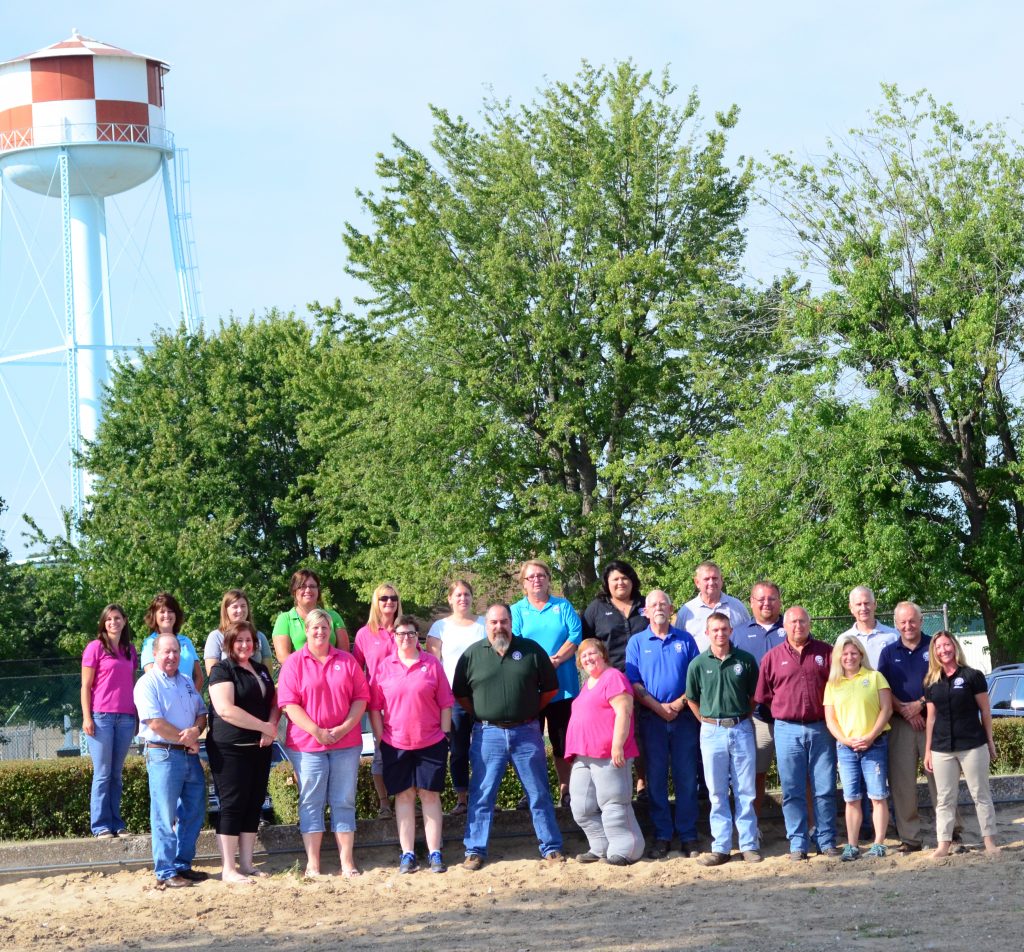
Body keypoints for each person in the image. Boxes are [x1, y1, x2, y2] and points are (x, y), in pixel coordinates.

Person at [453, 603, 564, 870]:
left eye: (503, 621)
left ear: (511, 622)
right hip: (487, 733)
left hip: (526, 731)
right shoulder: (472, 655)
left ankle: (550, 846)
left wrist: (527, 711)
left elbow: (550, 689)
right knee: (482, 794)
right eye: (493, 622)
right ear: (486, 625)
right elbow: (461, 695)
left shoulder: (531, 650)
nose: (498, 627)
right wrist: (484, 714)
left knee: (538, 792)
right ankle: (475, 849)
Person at [277, 608, 369, 878]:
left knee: (343, 800)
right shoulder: (294, 663)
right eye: (314, 628)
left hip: (346, 743)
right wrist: (316, 731)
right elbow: (289, 705)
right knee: (311, 801)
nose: (320, 632)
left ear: (331, 631)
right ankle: (313, 864)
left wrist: (342, 729)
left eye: (324, 628)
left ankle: (347, 863)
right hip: (307, 744)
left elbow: (360, 699)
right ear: (306, 631)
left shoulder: (347, 661)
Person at [369, 616, 454, 874]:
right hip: (396, 744)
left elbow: (445, 703)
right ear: (393, 637)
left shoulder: (432, 664)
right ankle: (407, 854)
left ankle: (434, 852)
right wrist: (381, 737)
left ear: (418, 636)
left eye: (411, 633)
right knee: (404, 796)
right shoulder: (384, 668)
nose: (406, 638)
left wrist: (445, 735)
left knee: (429, 795)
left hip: (431, 742)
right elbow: (375, 708)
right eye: (401, 633)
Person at [755, 606, 838, 860]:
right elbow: (764, 696)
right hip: (786, 729)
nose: (798, 626)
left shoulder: (826, 652)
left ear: (809, 623)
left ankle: (826, 840)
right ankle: (798, 843)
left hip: (821, 728)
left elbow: (838, 688)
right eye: (792, 622)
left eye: (802, 621)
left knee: (824, 787)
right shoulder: (772, 656)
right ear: (785, 626)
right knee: (792, 789)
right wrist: (786, 710)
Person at [625, 589, 701, 859]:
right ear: (645, 611)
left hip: (684, 719)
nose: (658, 608)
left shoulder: (686, 639)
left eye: (663, 604)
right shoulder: (636, 642)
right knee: (656, 780)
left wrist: (678, 705)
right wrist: (658, 708)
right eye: (653, 604)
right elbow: (634, 682)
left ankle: (689, 835)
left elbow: (696, 678)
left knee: (685, 779)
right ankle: (662, 835)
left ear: (671, 610)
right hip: (652, 720)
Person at [877, 601, 959, 853]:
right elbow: (883, 687)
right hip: (901, 724)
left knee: (941, 779)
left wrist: (920, 703)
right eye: (902, 621)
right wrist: (904, 709)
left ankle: (952, 834)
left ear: (921, 621)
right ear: (896, 624)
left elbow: (945, 677)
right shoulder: (889, 652)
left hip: (934, 721)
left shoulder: (933, 647)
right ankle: (910, 838)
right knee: (902, 784)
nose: (908, 625)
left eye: (912, 620)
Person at [206, 619, 280, 883]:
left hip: (260, 748)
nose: (245, 645)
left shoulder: (260, 669)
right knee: (232, 805)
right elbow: (225, 709)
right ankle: (228, 868)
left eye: (249, 640)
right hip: (230, 749)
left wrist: (270, 727)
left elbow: (274, 701)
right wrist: (263, 726)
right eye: (239, 640)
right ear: (229, 643)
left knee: (253, 804)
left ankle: (247, 864)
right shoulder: (222, 671)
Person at [133, 633, 208, 888]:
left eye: (175, 651)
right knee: (164, 814)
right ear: (154, 654)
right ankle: (165, 871)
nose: (172, 656)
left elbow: (201, 713)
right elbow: (154, 722)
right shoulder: (147, 683)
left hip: (188, 754)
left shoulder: (187, 681)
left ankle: (182, 865)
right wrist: (186, 738)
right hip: (162, 753)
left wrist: (196, 731)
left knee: (194, 810)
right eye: (166, 651)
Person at [686, 612, 761, 865]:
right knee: (716, 791)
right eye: (715, 630)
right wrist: (708, 722)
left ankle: (749, 844)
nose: (720, 634)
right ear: (707, 633)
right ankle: (721, 846)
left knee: (745, 790)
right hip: (711, 731)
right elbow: (692, 699)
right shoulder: (698, 663)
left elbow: (754, 696)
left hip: (741, 728)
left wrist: (739, 719)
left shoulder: (746, 661)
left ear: (731, 631)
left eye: (724, 629)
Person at [564, 638, 645, 866]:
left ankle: (628, 848)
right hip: (583, 753)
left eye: (593, 653)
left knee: (613, 803)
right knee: (580, 807)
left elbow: (624, 712)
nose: (589, 658)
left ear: (603, 655)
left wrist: (617, 745)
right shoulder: (588, 682)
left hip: (608, 753)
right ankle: (601, 845)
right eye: (584, 656)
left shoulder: (613, 677)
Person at [510, 558, 583, 806]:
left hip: (563, 688)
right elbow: (515, 642)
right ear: (524, 583)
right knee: (530, 743)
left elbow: (575, 636)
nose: (536, 580)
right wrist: (541, 664)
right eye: (531, 576)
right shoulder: (517, 610)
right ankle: (532, 792)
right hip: (531, 689)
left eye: (541, 575)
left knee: (562, 742)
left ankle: (566, 791)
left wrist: (556, 660)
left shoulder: (562, 606)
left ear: (548, 579)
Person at [924, 631, 1000, 858]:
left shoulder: (972, 676)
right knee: (945, 798)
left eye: (947, 645)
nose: (943, 650)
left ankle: (989, 841)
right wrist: (928, 750)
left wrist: (990, 742)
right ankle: (943, 844)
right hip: (941, 748)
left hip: (973, 745)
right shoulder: (930, 682)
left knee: (981, 794)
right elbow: (931, 718)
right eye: (939, 647)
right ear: (934, 652)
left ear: (955, 647)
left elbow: (985, 712)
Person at [823, 634, 892, 861]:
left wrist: (871, 736)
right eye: (845, 654)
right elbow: (830, 719)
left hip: (874, 745)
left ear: (861, 655)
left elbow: (886, 709)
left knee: (877, 795)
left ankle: (878, 843)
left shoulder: (875, 677)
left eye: (854, 653)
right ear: (838, 658)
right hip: (846, 748)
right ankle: (852, 845)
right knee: (851, 798)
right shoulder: (833, 685)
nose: (849, 657)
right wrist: (844, 740)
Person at [425, 580, 486, 816]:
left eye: (467, 594)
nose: (463, 598)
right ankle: (462, 798)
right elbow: (433, 666)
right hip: (454, 697)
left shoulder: (484, 624)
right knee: (459, 750)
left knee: (486, 750)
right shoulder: (439, 628)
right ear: (450, 599)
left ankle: (485, 797)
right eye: (458, 595)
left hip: (483, 696)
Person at [80, 604, 138, 839]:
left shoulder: (130, 650)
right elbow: (85, 686)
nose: (113, 622)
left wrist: (135, 716)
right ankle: (100, 825)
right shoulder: (95, 648)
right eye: (108, 619)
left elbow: (132, 685)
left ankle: (117, 823)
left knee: (116, 774)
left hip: (125, 718)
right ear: (103, 623)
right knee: (102, 773)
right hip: (101, 718)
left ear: (124, 621)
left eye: (117, 618)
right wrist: (87, 717)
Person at [731, 580, 787, 817]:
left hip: (791, 718)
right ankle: (753, 827)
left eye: (772, 598)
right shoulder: (739, 634)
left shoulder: (792, 626)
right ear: (751, 603)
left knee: (797, 774)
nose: (767, 603)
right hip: (756, 718)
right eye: (761, 599)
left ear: (779, 601)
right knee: (755, 774)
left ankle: (808, 826)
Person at [353, 582, 402, 818]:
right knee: (382, 752)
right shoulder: (364, 634)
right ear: (376, 601)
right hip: (378, 705)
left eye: (393, 598)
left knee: (408, 752)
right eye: (384, 598)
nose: (389, 602)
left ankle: (408, 799)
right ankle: (384, 803)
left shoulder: (405, 628)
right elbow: (356, 672)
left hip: (406, 703)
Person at [581, 560, 647, 674]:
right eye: (615, 579)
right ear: (607, 583)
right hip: (611, 676)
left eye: (625, 578)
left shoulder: (647, 604)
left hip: (648, 673)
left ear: (632, 581)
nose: (620, 582)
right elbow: (586, 644)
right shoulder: (596, 609)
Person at [272, 568, 349, 663]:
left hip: (332, 673)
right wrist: (312, 670)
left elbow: (344, 652)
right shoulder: (284, 619)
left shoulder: (333, 616)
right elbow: (284, 658)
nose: (308, 590)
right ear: (294, 591)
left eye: (312, 586)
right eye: (302, 586)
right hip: (300, 675)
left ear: (318, 590)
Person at [140, 593, 203, 694]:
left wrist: (191, 698)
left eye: (170, 611)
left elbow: (199, 676)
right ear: (154, 616)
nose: (167, 615)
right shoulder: (149, 643)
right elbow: (152, 677)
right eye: (162, 612)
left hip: (189, 705)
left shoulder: (186, 641)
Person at [681, 561, 750, 652]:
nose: (711, 582)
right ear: (697, 582)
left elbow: (749, 637)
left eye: (715, 578)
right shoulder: (687, 611)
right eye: (706, 579)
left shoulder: (737, 607)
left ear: (721, 580)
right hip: (701, 666)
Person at [204, 589, 275, 676]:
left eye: (243, 606)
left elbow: (268, 673)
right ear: (226, 610)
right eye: (235, 607)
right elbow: (212, 674)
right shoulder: (216, 637)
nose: (240, 610)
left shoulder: (260, 636)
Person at [842, 586, 898, 668]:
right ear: (851, 608)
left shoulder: (893, 636)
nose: (863, 608)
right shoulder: (844, 639)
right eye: (858, 604)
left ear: (874, 605)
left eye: (866, 603)